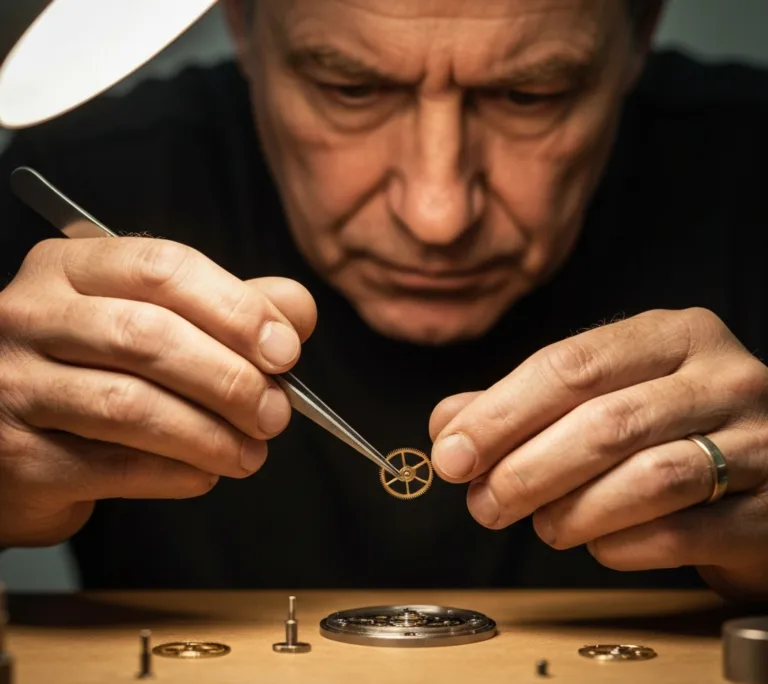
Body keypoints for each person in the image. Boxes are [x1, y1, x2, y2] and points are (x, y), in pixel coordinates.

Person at [0, 0, 766, 596]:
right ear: (241, 23)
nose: (437, 215)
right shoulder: (82, 188)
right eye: (352, 88)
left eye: (530, 94)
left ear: (640, 34)